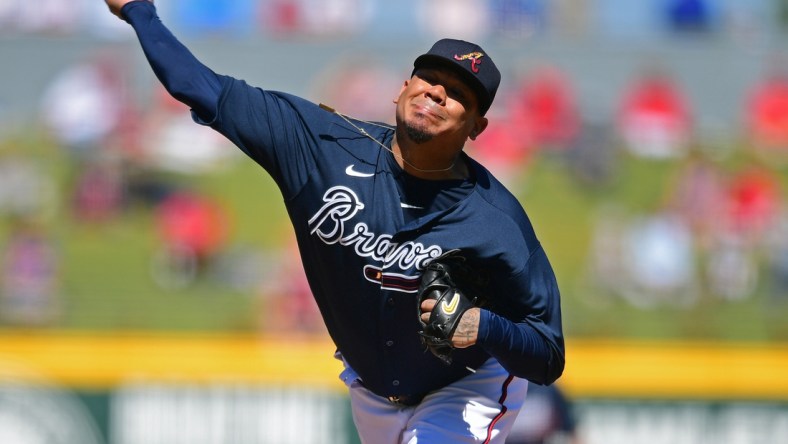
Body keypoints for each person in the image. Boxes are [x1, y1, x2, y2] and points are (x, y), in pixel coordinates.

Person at [104, 1, 565, 442]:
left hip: (467, 387)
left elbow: (548, 353)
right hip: (372, 389)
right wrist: (137, 10)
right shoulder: (320, 147)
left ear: (477, 127)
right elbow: (201, 86)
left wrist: (485, 326)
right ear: (402, 87)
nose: (436, 92)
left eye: (459, 93)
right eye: (428, 77)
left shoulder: (496, 220)